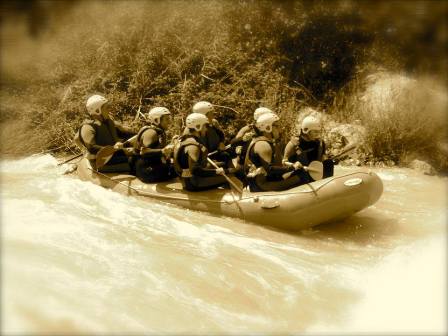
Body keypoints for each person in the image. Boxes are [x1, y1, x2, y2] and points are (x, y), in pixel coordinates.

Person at [244, 112, 305, 192]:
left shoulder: (266, 142)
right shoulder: (263, 145)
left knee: (300, 172)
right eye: (277, 126)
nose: (280, 129)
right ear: (268, 128)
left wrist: (292, 167)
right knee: (302, 177)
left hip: (270, 180)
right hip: (262, 185)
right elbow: (270, 170)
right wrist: (292, 167)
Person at [76, 94, 136, 172]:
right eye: (106, 108)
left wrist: (140, 133)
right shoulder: (88, 127)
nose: (109, 110)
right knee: (134, 160)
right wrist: (113, 148)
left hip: (113, 155)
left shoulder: (107, 122)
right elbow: (92, 148)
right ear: (97, 110)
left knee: (138, 154)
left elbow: (121, 134)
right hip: (101, 160)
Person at [173, 113, 232, 191]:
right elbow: (195, 170)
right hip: (194, 183)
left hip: (191, 179)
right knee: (231, 176)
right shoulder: (193, 147)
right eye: (205, 126)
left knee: (223, 165)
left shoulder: (185, 139)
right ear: (198, 127)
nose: (206, 129)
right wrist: (217, 171)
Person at [134, 107, 176, 183]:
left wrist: (172, 143)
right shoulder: (151, 133)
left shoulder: (158, 131)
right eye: (166, 119)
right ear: (157, 120)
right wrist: (162, 151)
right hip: (147, 171)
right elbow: (143, 151)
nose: (169, 122)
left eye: (169, 119)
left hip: (152, 166)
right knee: (177, 170)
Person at [192, 101, 232, 167]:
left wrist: (221, 143)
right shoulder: (194, 127)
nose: (213, 115)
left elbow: (221, 135)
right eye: (211, 113)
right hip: (204, 158)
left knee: (226, 155)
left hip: (216, 153)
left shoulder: (214, 123)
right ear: (204, 115)